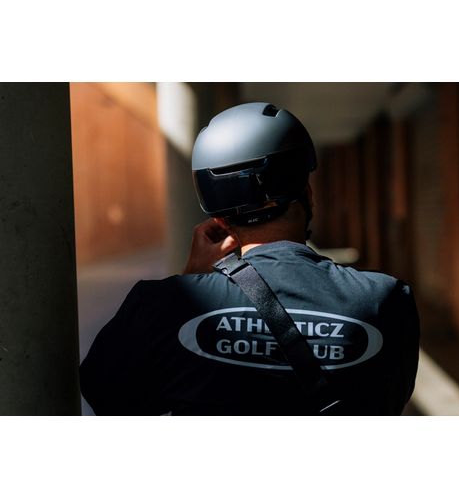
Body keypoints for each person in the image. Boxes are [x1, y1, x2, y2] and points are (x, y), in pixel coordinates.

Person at [80, 102, 419, 415]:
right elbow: (387, 403)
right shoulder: (385, 300)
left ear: (218, 217)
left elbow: (110, 400)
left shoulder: (159, 306)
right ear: (308, 193)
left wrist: (190, 280)